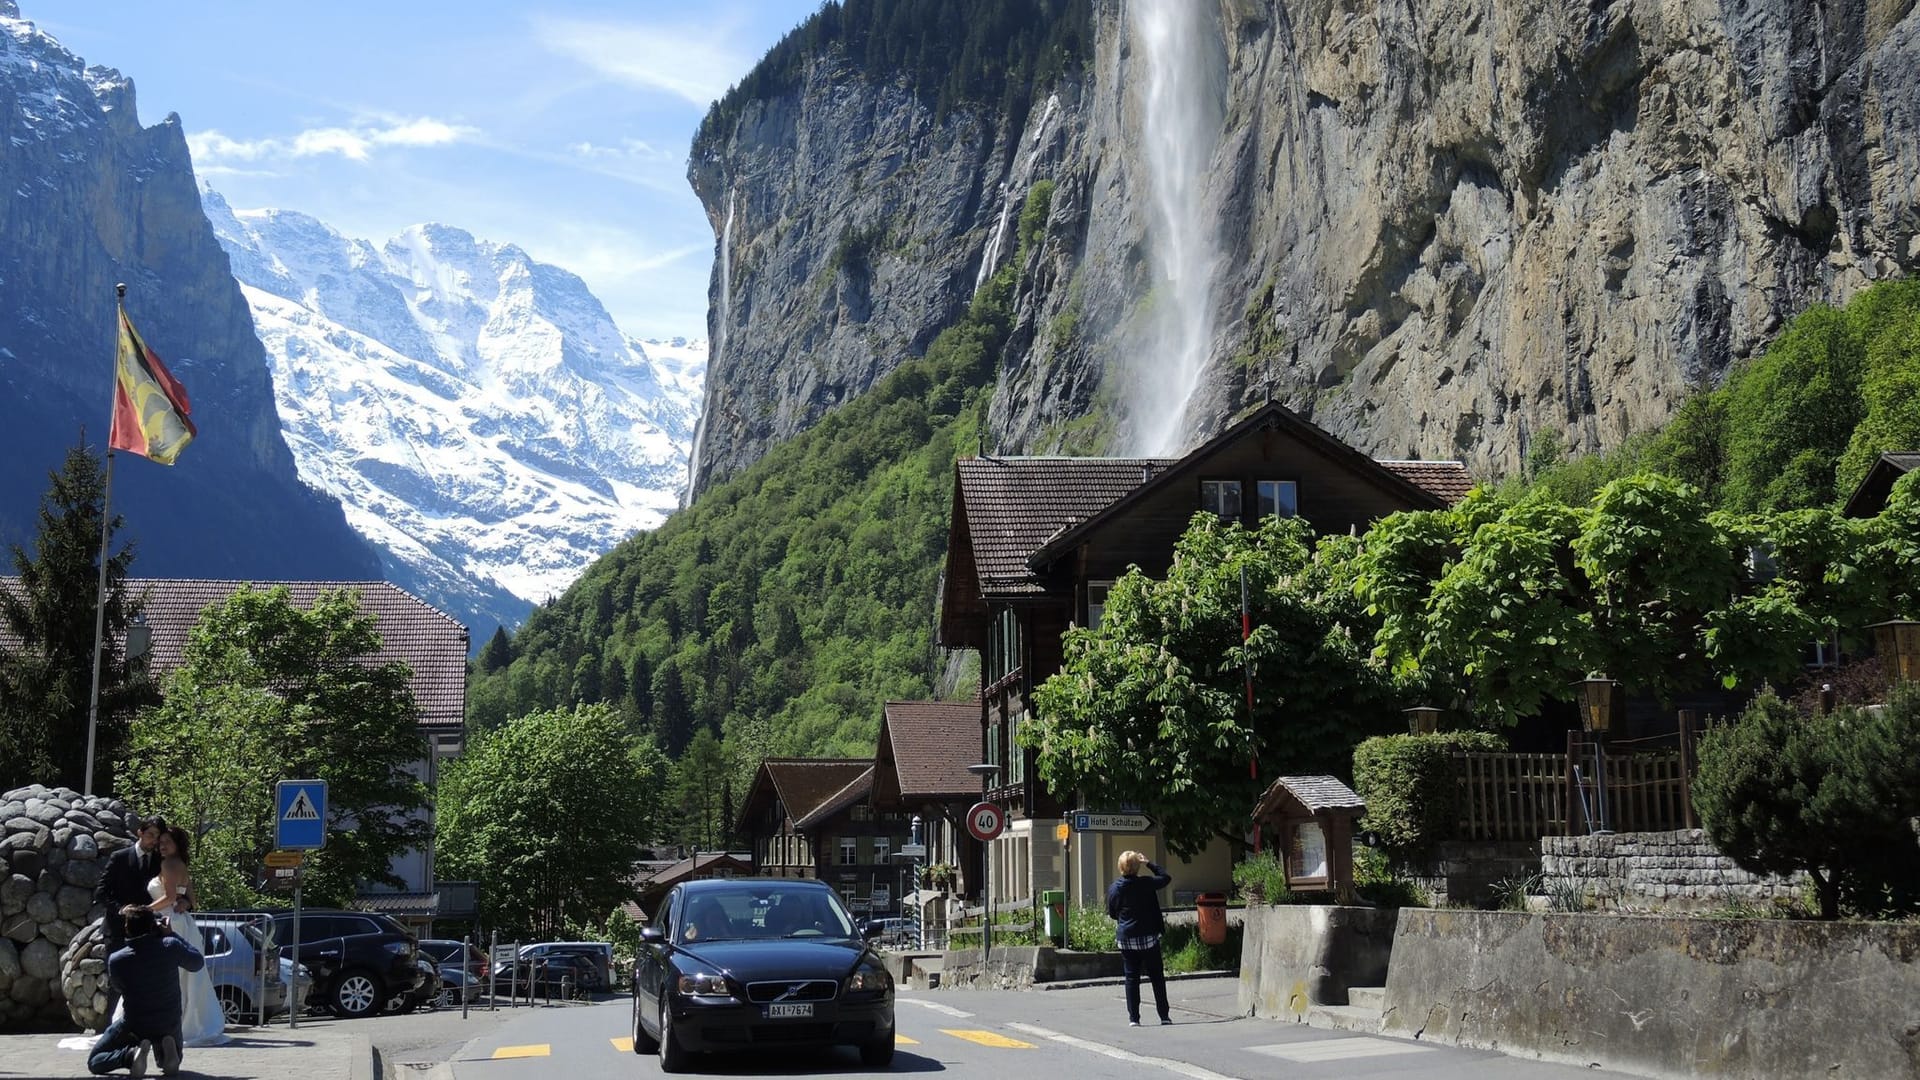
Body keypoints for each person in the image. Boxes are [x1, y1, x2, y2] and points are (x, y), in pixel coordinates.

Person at [89, 904, 204, 1077]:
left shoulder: (117, 959)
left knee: (95, 1061)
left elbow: (119, 987)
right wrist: (171, 934)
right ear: (153, 926)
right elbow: (197, 962)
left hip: (135, 1023)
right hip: (168, 1020)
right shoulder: (169, 945)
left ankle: (129, 1056)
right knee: (167, 1043)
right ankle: (169, 1057)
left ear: (127, 929)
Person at [142, 827, 227, 1046]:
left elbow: (169, 897)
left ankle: (165, 1022)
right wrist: (184, 903)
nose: (162, 846)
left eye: (167, 842)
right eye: (160, 843)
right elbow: (192, 901)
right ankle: (188, 1021)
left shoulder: (168, 864)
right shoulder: (182, 865)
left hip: (167, 922)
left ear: (177, 844)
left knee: (164, 973)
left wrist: (144, 910)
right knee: (186, 976)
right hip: (184, 924)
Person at [94, 816, 165, 1021]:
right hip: (117, 930)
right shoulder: (120, 857)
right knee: (116, 982)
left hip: (148, 932)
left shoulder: (161, 862)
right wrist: (121, 909)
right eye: (151, 835)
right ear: (140, 833)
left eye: (158, 837)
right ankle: (112, 1028)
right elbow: (102, 892)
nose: (154, 841)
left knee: (146, 981)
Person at [1105, 849, 1172, 1028]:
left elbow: (1112, 913)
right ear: (1137, 867)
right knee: (1156, 976)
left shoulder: (1114, 888)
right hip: (1148, 936)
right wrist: (1149, 863)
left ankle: (1134, 1018)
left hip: (1126, 937)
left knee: (1131, 978)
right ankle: (1164, 1016)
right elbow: (1165, 877)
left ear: (1120, 867)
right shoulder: (1146, 883)